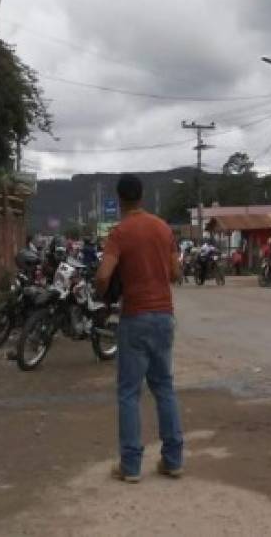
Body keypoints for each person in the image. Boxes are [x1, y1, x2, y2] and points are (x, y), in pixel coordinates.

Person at [95, 174, 184, 483]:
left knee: (129, 393)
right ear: (142, 196)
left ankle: (131, 467)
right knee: (164, 388)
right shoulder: (162, 228)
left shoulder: (120, 232)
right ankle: (173, 461)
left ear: (120, 199)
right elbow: (175, 272)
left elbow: (104, 274)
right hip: (164, 315)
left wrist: (103, 290)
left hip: (135, 317)